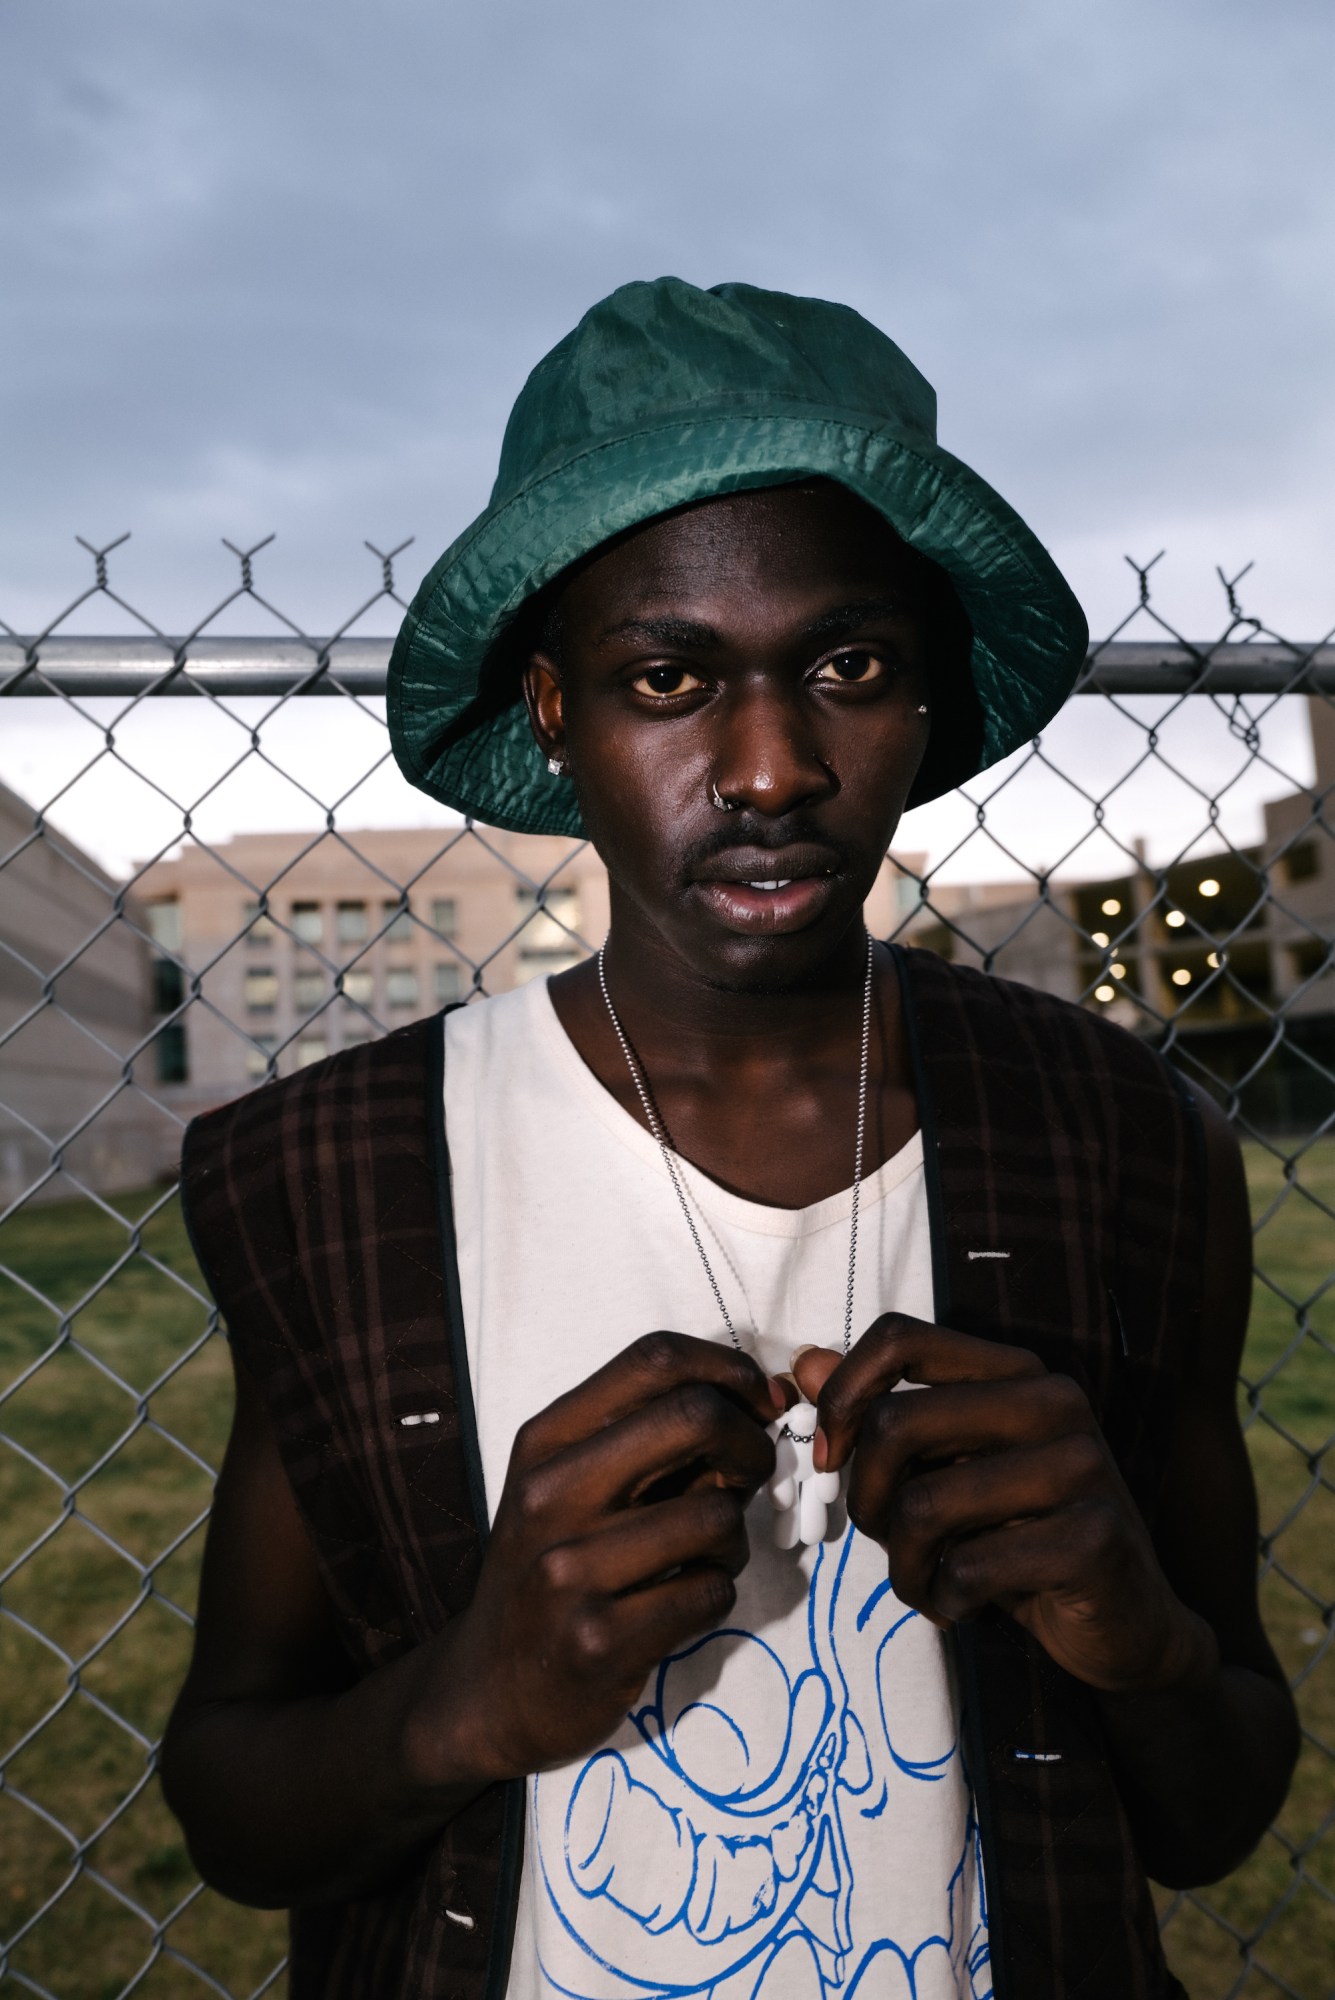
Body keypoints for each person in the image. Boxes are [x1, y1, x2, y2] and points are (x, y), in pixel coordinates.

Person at [162, 279, 1297, 2000]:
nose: (769, 766)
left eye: (846, 666)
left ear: (924, 700)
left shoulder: (1132, 1143)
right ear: (553, 711)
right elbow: (240, 1812)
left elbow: (1218, 1812)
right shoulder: (334, 1172)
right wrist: (467, 1697)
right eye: (668, 676)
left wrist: (1131, 1629)